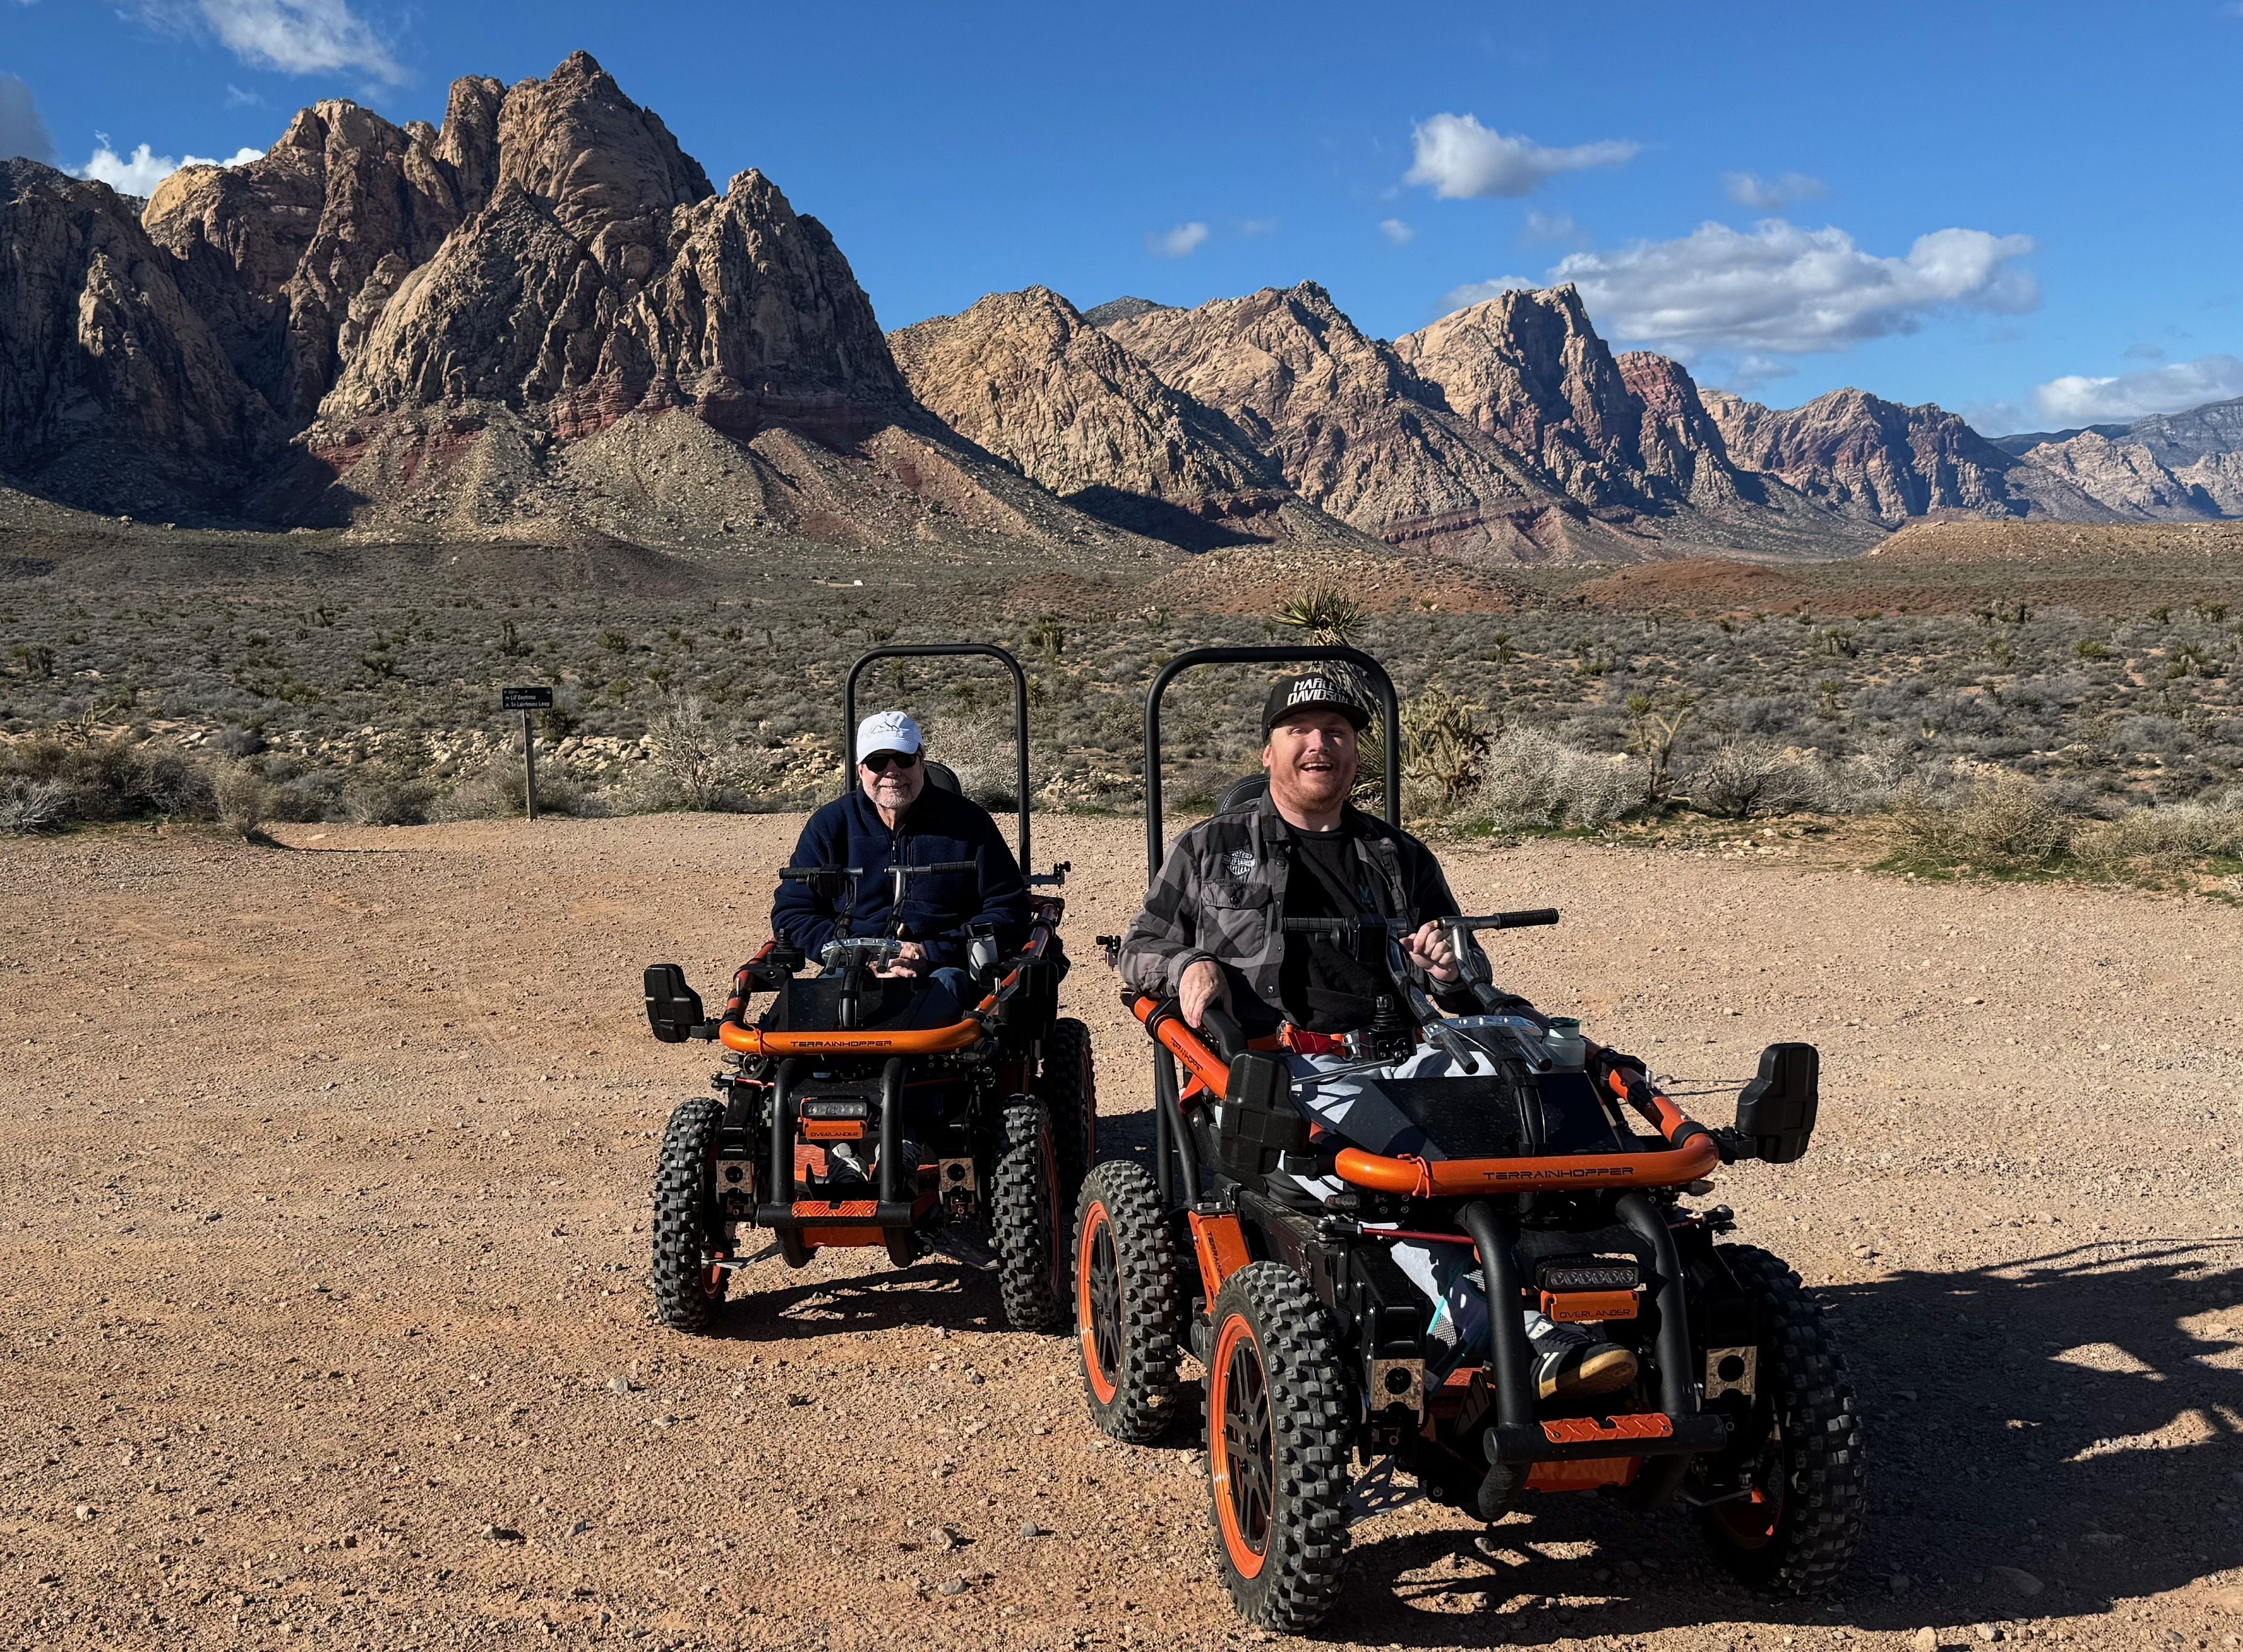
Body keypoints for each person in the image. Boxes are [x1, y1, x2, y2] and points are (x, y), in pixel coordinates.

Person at [1118, 671, 1638, 1400]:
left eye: (1336, 731)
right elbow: (1138, 948)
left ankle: (1613, 1289)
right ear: (1268, 751)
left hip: (1407, 1051)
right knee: (1410, 1178)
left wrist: (1448, 967)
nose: (1318, 744)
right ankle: (1526, 1337)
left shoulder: (1399, 856)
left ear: (1356, 755)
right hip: (1282, 1071)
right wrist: (1188, 964)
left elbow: (1465, 977)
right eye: (1299, 729)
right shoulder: (1211, 847)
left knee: (1540, 1125)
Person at [771, 710, 1028, 1027]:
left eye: (903, 759)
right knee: (802, 1028)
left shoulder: (969, 824)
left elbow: (1006, 906)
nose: (892, 772)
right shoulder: (830, 825)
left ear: (922, 761)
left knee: (941, 1012)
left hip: (943, 964)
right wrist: (855, 953)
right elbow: (793, 913)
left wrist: (929, 952)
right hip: (851, 962)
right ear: (860, 769)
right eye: (879, 762)